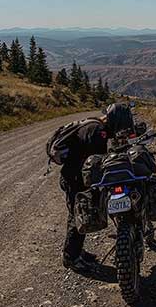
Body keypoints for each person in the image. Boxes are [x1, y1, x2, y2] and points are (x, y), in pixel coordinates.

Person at [55, 103, 136, 271]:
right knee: (78, 215)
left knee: (79, 213)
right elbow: (98, 161)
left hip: (74, 175)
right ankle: (71, 258)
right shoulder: (98, 132)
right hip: (76, 178)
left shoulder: (94, 124)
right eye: (120, 127)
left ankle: (76, 251)